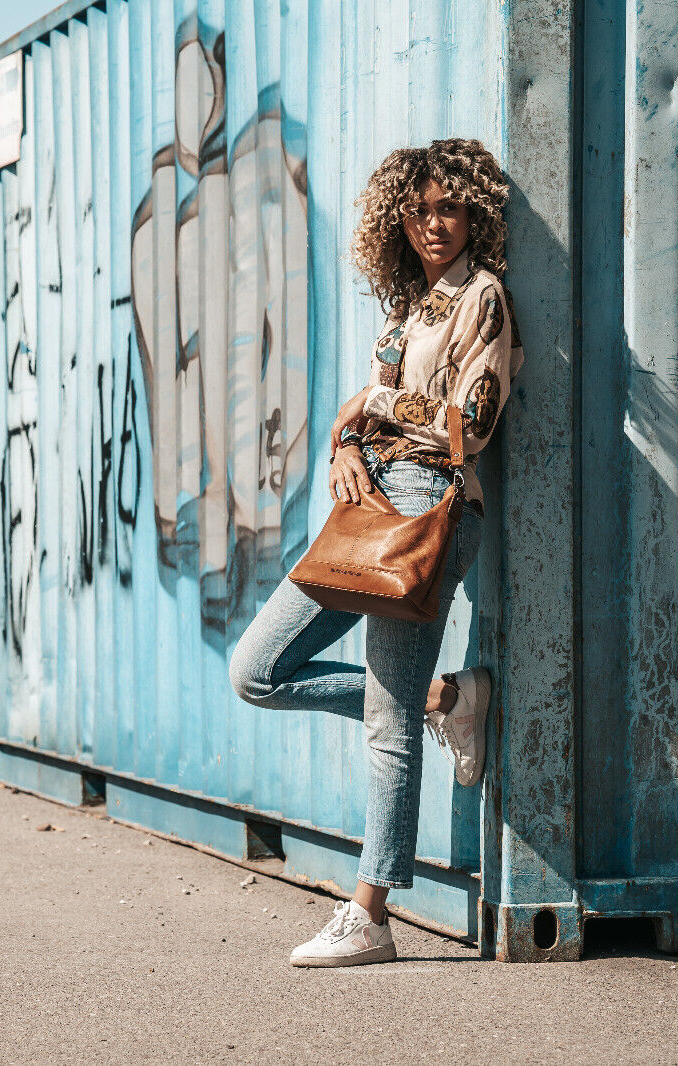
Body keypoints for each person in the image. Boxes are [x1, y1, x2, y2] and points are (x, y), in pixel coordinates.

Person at [229, 138, 523, 967]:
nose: (436, 224)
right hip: (369, 499)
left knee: (385, 728)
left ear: (476, 215)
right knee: (256, 669)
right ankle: (446, 698)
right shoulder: (408, 306)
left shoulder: (483, 300)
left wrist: (374, 403)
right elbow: (364, 422)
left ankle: (371, 914)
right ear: (402, 216)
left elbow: (473, 424)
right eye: (422, 209)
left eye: (451, 208)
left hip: (431, 506)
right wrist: (345, 447)